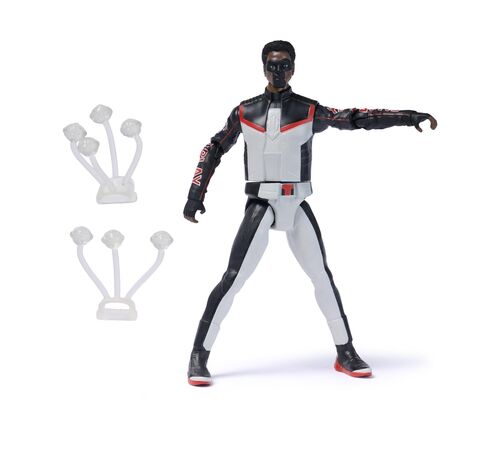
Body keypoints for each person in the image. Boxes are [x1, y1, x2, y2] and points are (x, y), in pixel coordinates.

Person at [183, 40, 437, 386]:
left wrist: (406, 117)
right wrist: (195, 194)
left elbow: (354, 118)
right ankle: (198, 355)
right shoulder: (245, 111)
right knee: (233, 278)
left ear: (293, 68)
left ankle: (345, 351)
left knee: (322, 277)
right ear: (263, 67)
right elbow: (214, 148)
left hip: (296, 202)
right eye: (272, 65)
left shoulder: (307, 110)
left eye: (284, 65)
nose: (278, 71)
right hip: (261, 203)